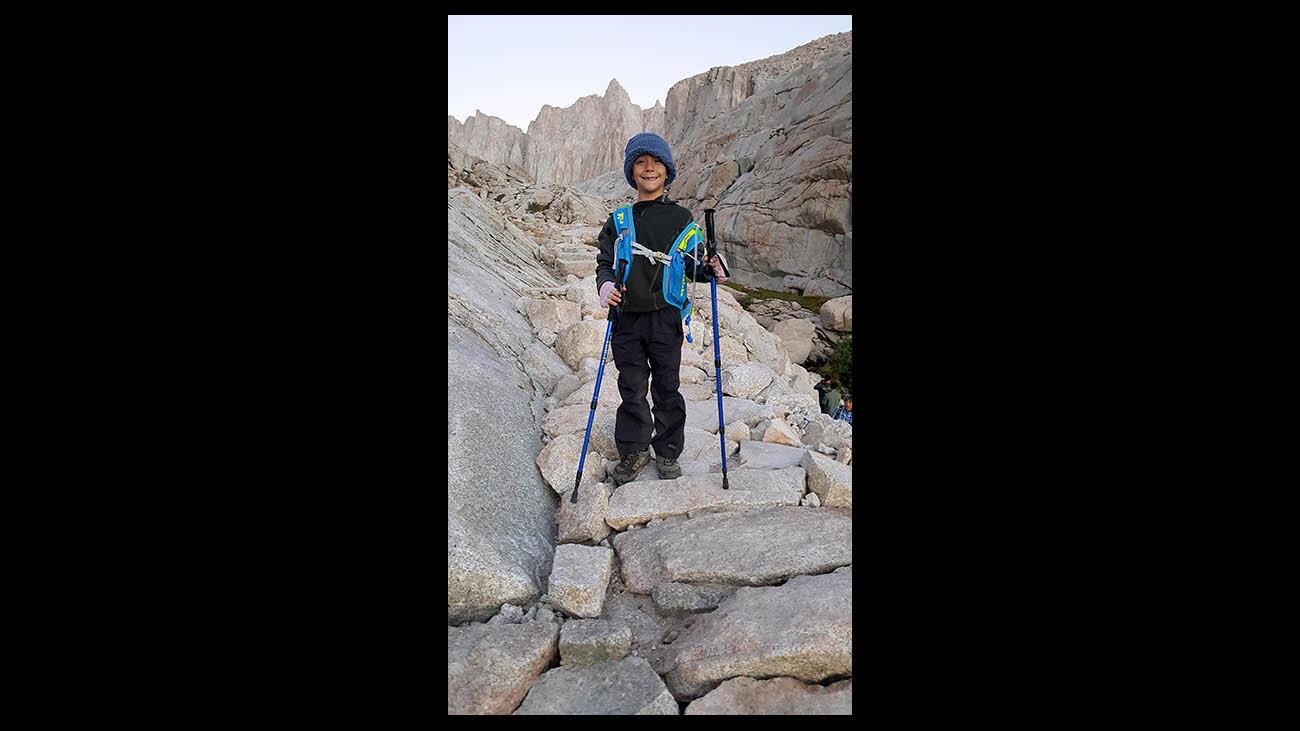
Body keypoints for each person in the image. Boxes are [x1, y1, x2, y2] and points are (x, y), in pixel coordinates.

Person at [596, 132, 729, 486]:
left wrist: (712, 268)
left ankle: (667, 450)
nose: (649, 168)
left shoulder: (682, 219)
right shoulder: (619, 220)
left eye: (655, 162)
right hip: (625, 317)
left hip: (667, 317)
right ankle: (635, 449)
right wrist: (605, 286)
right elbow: (604, 262)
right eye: (640, 162)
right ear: (631, 171)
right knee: (632, 386)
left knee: (667, 387)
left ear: (667, 172)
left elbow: (694, 265)